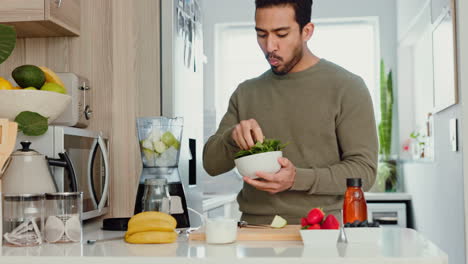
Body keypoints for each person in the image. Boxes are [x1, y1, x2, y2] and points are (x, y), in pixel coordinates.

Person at [203, 0, 378, 224]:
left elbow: (364, 171)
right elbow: (211, 165)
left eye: (281, 34)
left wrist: (297, 178)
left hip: (321, 232)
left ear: (307, 31)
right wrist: (231, 139)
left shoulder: (347, 87)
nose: (270, 46)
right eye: (261, 34)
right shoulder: (246, 92)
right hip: (254, 233)